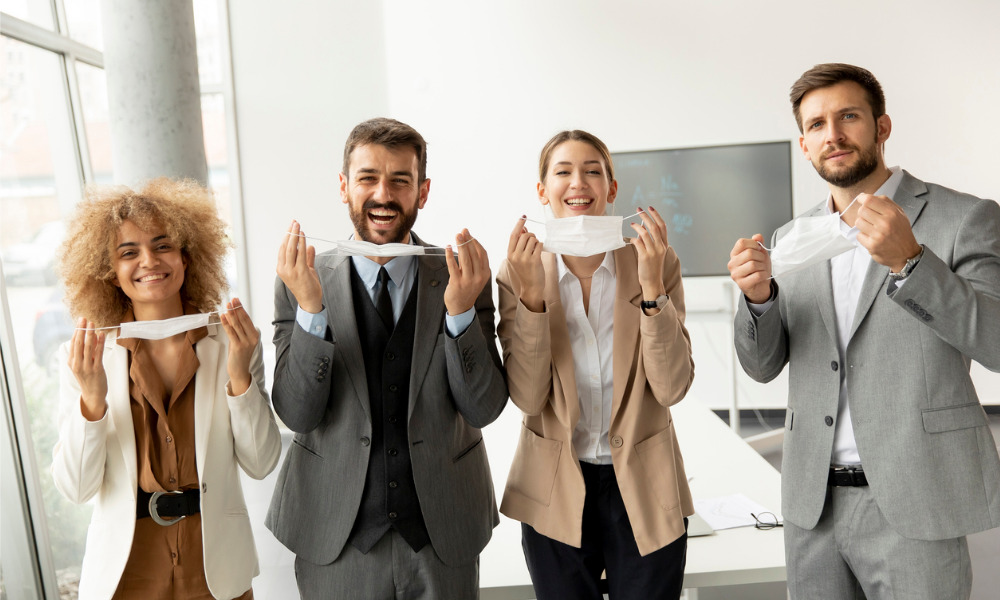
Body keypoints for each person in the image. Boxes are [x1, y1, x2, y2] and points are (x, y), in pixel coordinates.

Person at [728, 63, 1000, 599]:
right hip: (813, 505)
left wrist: (913, 264)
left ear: (882, 127)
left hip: (915, 495)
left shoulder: (964, 218)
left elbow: (995, 342)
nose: (833, 135)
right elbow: (761, 368)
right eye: (816, 125)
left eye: (848, 116)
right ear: (804, 145)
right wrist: (758, 300)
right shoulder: (791, 237)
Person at [265, 117, 508, 599]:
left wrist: (459, 311)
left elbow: (483, 409)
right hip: (336, 534)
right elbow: (296, 412)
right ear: (343, 186)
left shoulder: (460, 275)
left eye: (401, 180)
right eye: (367, 178)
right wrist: (313, 310)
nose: (383, 194)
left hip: (442, 532)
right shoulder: (300, 279)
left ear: (423, 191)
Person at [51, 178, 282, 599]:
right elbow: (75, 487)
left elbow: (262, 462)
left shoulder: (232, 342)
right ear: (108, 270)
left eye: (163, 245)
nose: (149, 261)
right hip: (125, 572)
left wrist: (240, 378)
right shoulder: (86, 356)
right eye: (128, 252)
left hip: (216, 570)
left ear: (187, 256)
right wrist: (92, 400)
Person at [497, 130, 695, 599]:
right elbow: (526, 395)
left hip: (644, 485)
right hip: (555, 488)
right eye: (562, 172)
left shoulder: (655, 262)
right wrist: (530, 298)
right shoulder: (517, 272)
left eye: (592, 171)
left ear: (612, 188)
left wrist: (651, 289)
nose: (578, 183)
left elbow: (671, 388)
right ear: (543, 191)